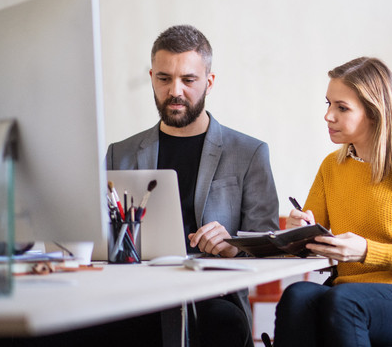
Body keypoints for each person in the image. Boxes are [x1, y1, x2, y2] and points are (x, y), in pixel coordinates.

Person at [106, 24, 279, 347]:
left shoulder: (250, 153)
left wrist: (232, 247)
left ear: (209, 82)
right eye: (164, 79)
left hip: (213, 298)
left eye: (188, 80)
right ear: (151, 78)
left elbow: (268, 250)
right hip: (137, 296)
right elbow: (102, 234)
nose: (175, 91)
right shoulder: (121, 153)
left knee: (217, 326)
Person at [273, 57, 392, 346]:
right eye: (328, 104)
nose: (328, 116)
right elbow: (310, 249)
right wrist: (296, 233)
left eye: (342, 108)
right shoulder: (332, 167)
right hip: (351, 293)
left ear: (374, 113)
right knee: (297, 296)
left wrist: (368, 252)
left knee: (345, 301)